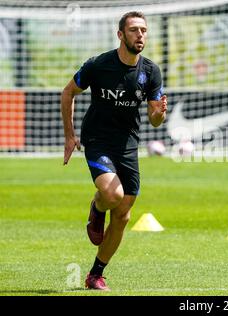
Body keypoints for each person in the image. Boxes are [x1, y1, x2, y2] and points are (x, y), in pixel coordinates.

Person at [60, 11, 167, 290]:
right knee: (112, 194)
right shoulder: (99, 65)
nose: (140, 35)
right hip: (97, 141)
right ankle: (97, 208)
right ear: (121, 35)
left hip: (128, 146)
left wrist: (159, 114)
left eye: (143, 30)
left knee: (123, 215)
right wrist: (70, 135)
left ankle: (96, 273)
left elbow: (156, 120)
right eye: (133, 30)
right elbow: (68, 92)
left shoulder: (151, 72)